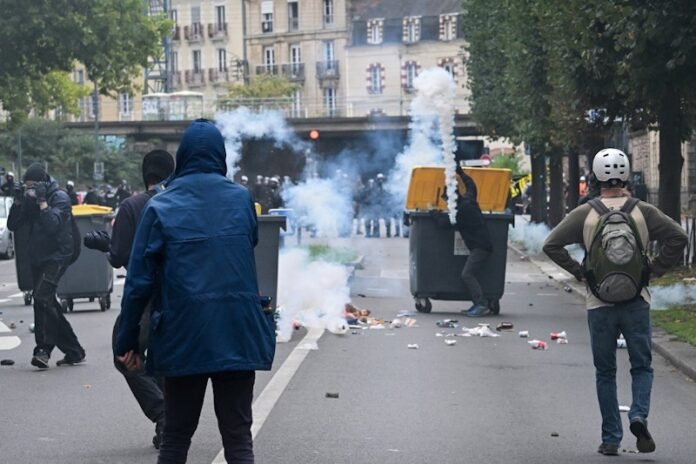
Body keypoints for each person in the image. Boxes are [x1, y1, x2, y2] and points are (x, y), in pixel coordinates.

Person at [115, 120, 275, 464]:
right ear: (221, 156)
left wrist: (126, 341)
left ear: (183, 157)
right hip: (237, 329)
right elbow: (249, 244)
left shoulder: (160, 205)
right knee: (237, 437)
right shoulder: (242, 200)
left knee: (175, 437)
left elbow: (138, 283)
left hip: (183, 332)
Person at [543, 148, 687, 456]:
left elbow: (551, 244)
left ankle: (611, 438)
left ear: (595, 177)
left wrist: (580, 272)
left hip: (600, 303)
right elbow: (678, 237)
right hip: (637, 300)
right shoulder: (643, 211)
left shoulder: (585, 212)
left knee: (605, 371)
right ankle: (638, 414)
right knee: (642, 367)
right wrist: (654, 270)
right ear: (626, 175)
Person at [83, 149, 175, 449]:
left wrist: (107, 246)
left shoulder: (133, 205)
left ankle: (164, 415)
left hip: (147, 296)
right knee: (163, 358)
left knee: (125, 355)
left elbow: (120, 256)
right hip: (183, 295)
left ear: (144, 174)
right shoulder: (183, 203)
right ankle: (170, 421)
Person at [7, 163, 85, 368]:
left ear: (43, 184)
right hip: (39, 255)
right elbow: (13, 226)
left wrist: (42, 202)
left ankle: (43, 350)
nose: (30, 191)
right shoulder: (28, 200)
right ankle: (74, 351)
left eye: (33, 186)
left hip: (60, 254)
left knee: (41, 298)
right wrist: (18, 202)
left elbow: (53, 226)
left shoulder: (59, 197)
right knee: (49, 302)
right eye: (27, 187)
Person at [454, 166, 494, 317]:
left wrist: (433, 213)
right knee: (470, 273)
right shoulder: (469, 201)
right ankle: (478, 303)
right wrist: (463, 174)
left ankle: (481, 304)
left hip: (480, 247)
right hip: (482, 245)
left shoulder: (460, 211)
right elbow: (472, 187)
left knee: (467, 274)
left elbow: (445, 224)